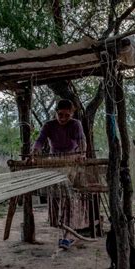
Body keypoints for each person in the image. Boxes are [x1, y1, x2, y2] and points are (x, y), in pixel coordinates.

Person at [31, 99, 87, 250]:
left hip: (71, 164)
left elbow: (82, 142)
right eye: (60, 114)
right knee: (55, 196)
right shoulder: (49, 125)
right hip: (54, 163)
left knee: (69, 197)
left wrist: (82, 154)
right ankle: (59, 226)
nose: (62, 118)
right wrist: (35, 152)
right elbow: (40, 140)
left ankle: (67, 235)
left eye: (66, 115)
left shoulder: (76, 124)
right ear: (55, 112)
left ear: (72, 113)